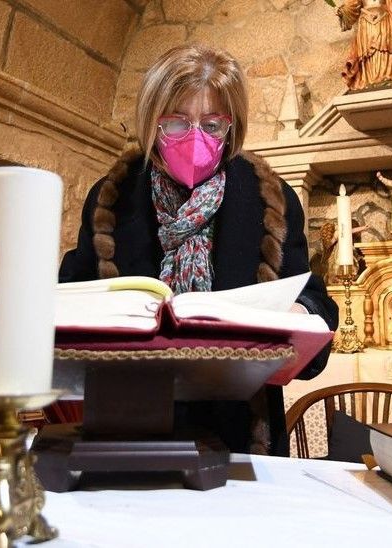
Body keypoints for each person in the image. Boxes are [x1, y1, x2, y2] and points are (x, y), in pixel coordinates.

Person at [59, 44, 339, 457]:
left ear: (232, 127)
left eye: (211, 125)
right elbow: (71, 295)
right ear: (152, 121)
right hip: (127, 424)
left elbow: (314, 299)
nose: (194, 139)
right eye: (175, 124)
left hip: (240, 432)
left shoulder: (270, 199)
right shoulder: (111, 198)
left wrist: (299, 316)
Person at [334, 0, 392, 91]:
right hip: (366, 21)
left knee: (386, 46)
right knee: (367, 51)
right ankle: (370, 79)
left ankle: (389, 75)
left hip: (385, 17)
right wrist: (343, 10)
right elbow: (353, 5)